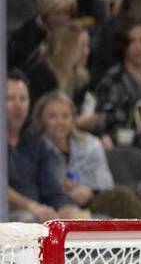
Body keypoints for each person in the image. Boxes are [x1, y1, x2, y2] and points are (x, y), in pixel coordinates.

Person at [33, 88, 141, 219]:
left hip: (90, 202)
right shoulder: (35, 148)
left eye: (65, 116)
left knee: (121, 196)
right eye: (53, 116)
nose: (60, 122)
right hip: (53, 205)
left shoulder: (90, 144)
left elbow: (106, 184)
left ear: (73, 118)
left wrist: (90, 191)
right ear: (42, 119)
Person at [6, 71, 83, 222]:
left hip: (38, 214)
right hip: (10, 217)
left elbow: (52, 191)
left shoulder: (36, 143)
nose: (18, 105)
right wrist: (32, 206)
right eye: (10, 98)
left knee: (95, 220)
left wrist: (68, 211)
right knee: (28, 220)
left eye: (23, 99)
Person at [93, 21, 141, 145]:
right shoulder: (111, 82)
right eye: (133, 41)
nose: (139, 46)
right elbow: (107, 128)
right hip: (127, 150)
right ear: (123, 46)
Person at [7, 0, 79, 73]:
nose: (61, 19)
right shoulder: (24, 34)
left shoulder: (69, 38)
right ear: (46, 8)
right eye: (57, 13)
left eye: (66, 13)